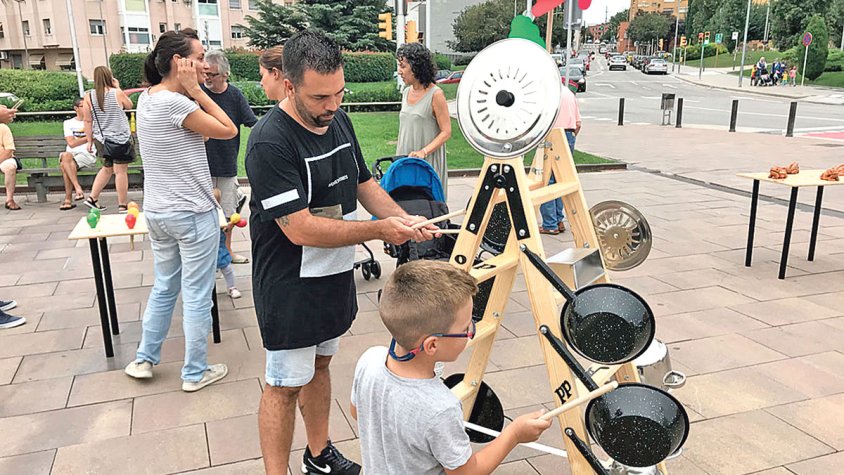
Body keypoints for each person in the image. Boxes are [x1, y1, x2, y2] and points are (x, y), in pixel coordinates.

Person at [245, 31, 438, 475]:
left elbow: (364, 184)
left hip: (332, 274)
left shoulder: (339, 120)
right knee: (283, 384)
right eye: (320, 96)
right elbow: (298, 228)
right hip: (289, 284)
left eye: (339, 92)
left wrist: (403, 220)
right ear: (289, 86)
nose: (332, 105)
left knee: (320, 365)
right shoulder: (270, 142)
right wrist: (379, 229)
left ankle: (319, 455)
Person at [351, 260, 551, 474]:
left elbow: (357, 412)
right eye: (466, 329)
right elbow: (466, 472)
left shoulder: (370, 359)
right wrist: (514, 434)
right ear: (432, 345)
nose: (471, 331)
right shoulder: (440, 408)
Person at [124, 28, 238, 393]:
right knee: (196, 293)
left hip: (157, 212)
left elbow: (196, 136)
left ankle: (144, 358)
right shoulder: (179, 103)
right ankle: (195, 372)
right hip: (191, 212)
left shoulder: (147, 99)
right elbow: (228, 129)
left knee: (164, 287)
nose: (206, 64)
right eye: (200, 57)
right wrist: (196, 91)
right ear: (179, 62)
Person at [202, 50, 258, 264]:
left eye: (212, 74)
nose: (207, 78)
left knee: (228, 214)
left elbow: (252, 122)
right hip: (202, 165)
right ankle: (207, 257)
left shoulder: (234, 95)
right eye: (205, 73)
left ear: (225, 74)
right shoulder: (197, 94)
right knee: (204, 215)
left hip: (226, 163)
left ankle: (226, 253)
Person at [395, 43, 452, 196]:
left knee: (428, 209)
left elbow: (446, 131)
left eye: (403, 66)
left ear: (416, 67)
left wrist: (424, 152)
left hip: (427, 161)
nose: (399, 71)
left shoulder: (436, 94)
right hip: (405, 160)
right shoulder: (406, 92)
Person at [83, 66, 134, 212]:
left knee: (107, 169)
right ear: (109, 77)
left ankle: (93, 198)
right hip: (120, 138)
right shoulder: (116, 93)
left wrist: (89, 140)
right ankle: (122, 204)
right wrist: (118, 87)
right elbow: (129, 106)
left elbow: (87, 121)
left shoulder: (88, 96)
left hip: (101, 139)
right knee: (121, 171)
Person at [539, 84, 581, 235]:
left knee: (547, 181)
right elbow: (578, 124)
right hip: (569, 135)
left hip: (552, 135)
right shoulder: (569, 93)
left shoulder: (548, 93)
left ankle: (550, 224)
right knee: (561, 180)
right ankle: (558, 220)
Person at [59, 97, 98, 210]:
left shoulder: (93, 122)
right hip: (71, 154)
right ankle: (77, 188)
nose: (87, 109)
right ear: (76, 108)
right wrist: (90, 137)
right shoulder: (68, 123)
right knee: (66, 157)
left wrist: (85, 139)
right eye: (83, 106)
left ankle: (68, 199)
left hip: (87, 154)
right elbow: (71, 143)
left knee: (64, 165)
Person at [213, 188, 241, 299]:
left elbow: (224, 229)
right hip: (207, 250)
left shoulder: (220, 213)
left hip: (220, 248)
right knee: (207, 273)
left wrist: (230, 225)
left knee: (227, 269)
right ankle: (206, 290)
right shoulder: (202, 215)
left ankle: (231, 287)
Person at [0, 110, 19, 210]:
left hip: (4, 158)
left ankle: (9, 200)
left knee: (10, 167)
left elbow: (9, 150)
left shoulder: (3, 128)